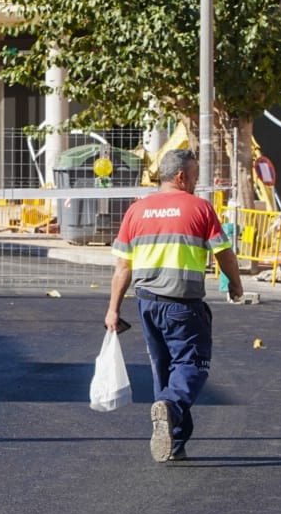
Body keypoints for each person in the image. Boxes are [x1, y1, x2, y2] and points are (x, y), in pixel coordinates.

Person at [105, 148, 244, 462]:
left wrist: (113, 309)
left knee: (164, 369)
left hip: (147, 304)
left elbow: (122, 267)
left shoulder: (136, 211)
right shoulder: (199, 208)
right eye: (195, 175)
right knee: (193, 365)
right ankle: (169, 407)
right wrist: (235, 284)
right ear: (181, 176)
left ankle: (175, 442)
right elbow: (223, 253)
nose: (196, 181)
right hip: (183, 304)